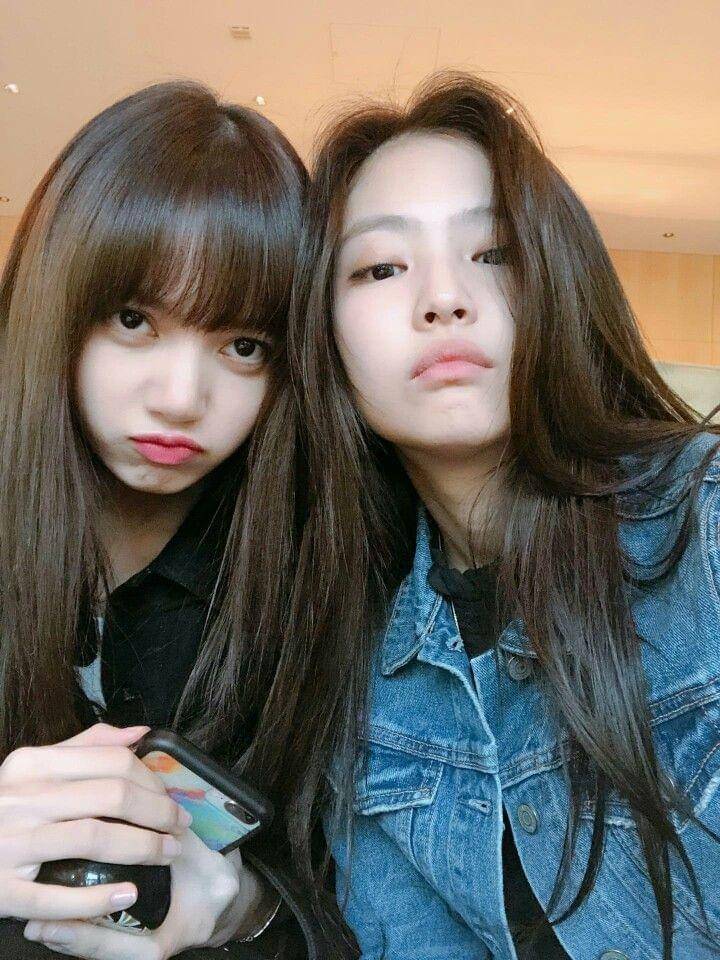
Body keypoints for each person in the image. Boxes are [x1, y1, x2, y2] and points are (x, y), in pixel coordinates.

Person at [251, 73, 720, 959]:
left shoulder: (705, 525)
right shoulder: (355, 658)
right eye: (381, 267)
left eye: (494, 253)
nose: (444, 298)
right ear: (324, 337)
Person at [0, 80, 311, 959]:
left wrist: (243, 910)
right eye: (135, 320)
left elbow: (357, 916)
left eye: (243, 346)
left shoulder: (309, 576)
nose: (181, 398)